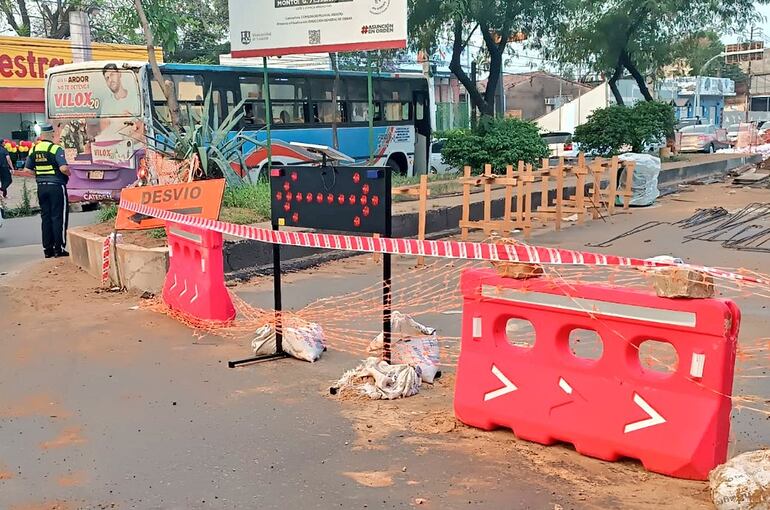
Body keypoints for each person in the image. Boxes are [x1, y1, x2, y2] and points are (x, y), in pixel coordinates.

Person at [24, 123, 70, 258]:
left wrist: (41, 175)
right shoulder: (56, 149)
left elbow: (27, 170)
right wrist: (69, 173)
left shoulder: (34, 149)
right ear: (51, 134)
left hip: (41, 187)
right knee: (58, 217)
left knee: (46, 217)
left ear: (41, 135)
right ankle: (59, 249)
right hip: (56, 186)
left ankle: (47, 250)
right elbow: (63, 169)